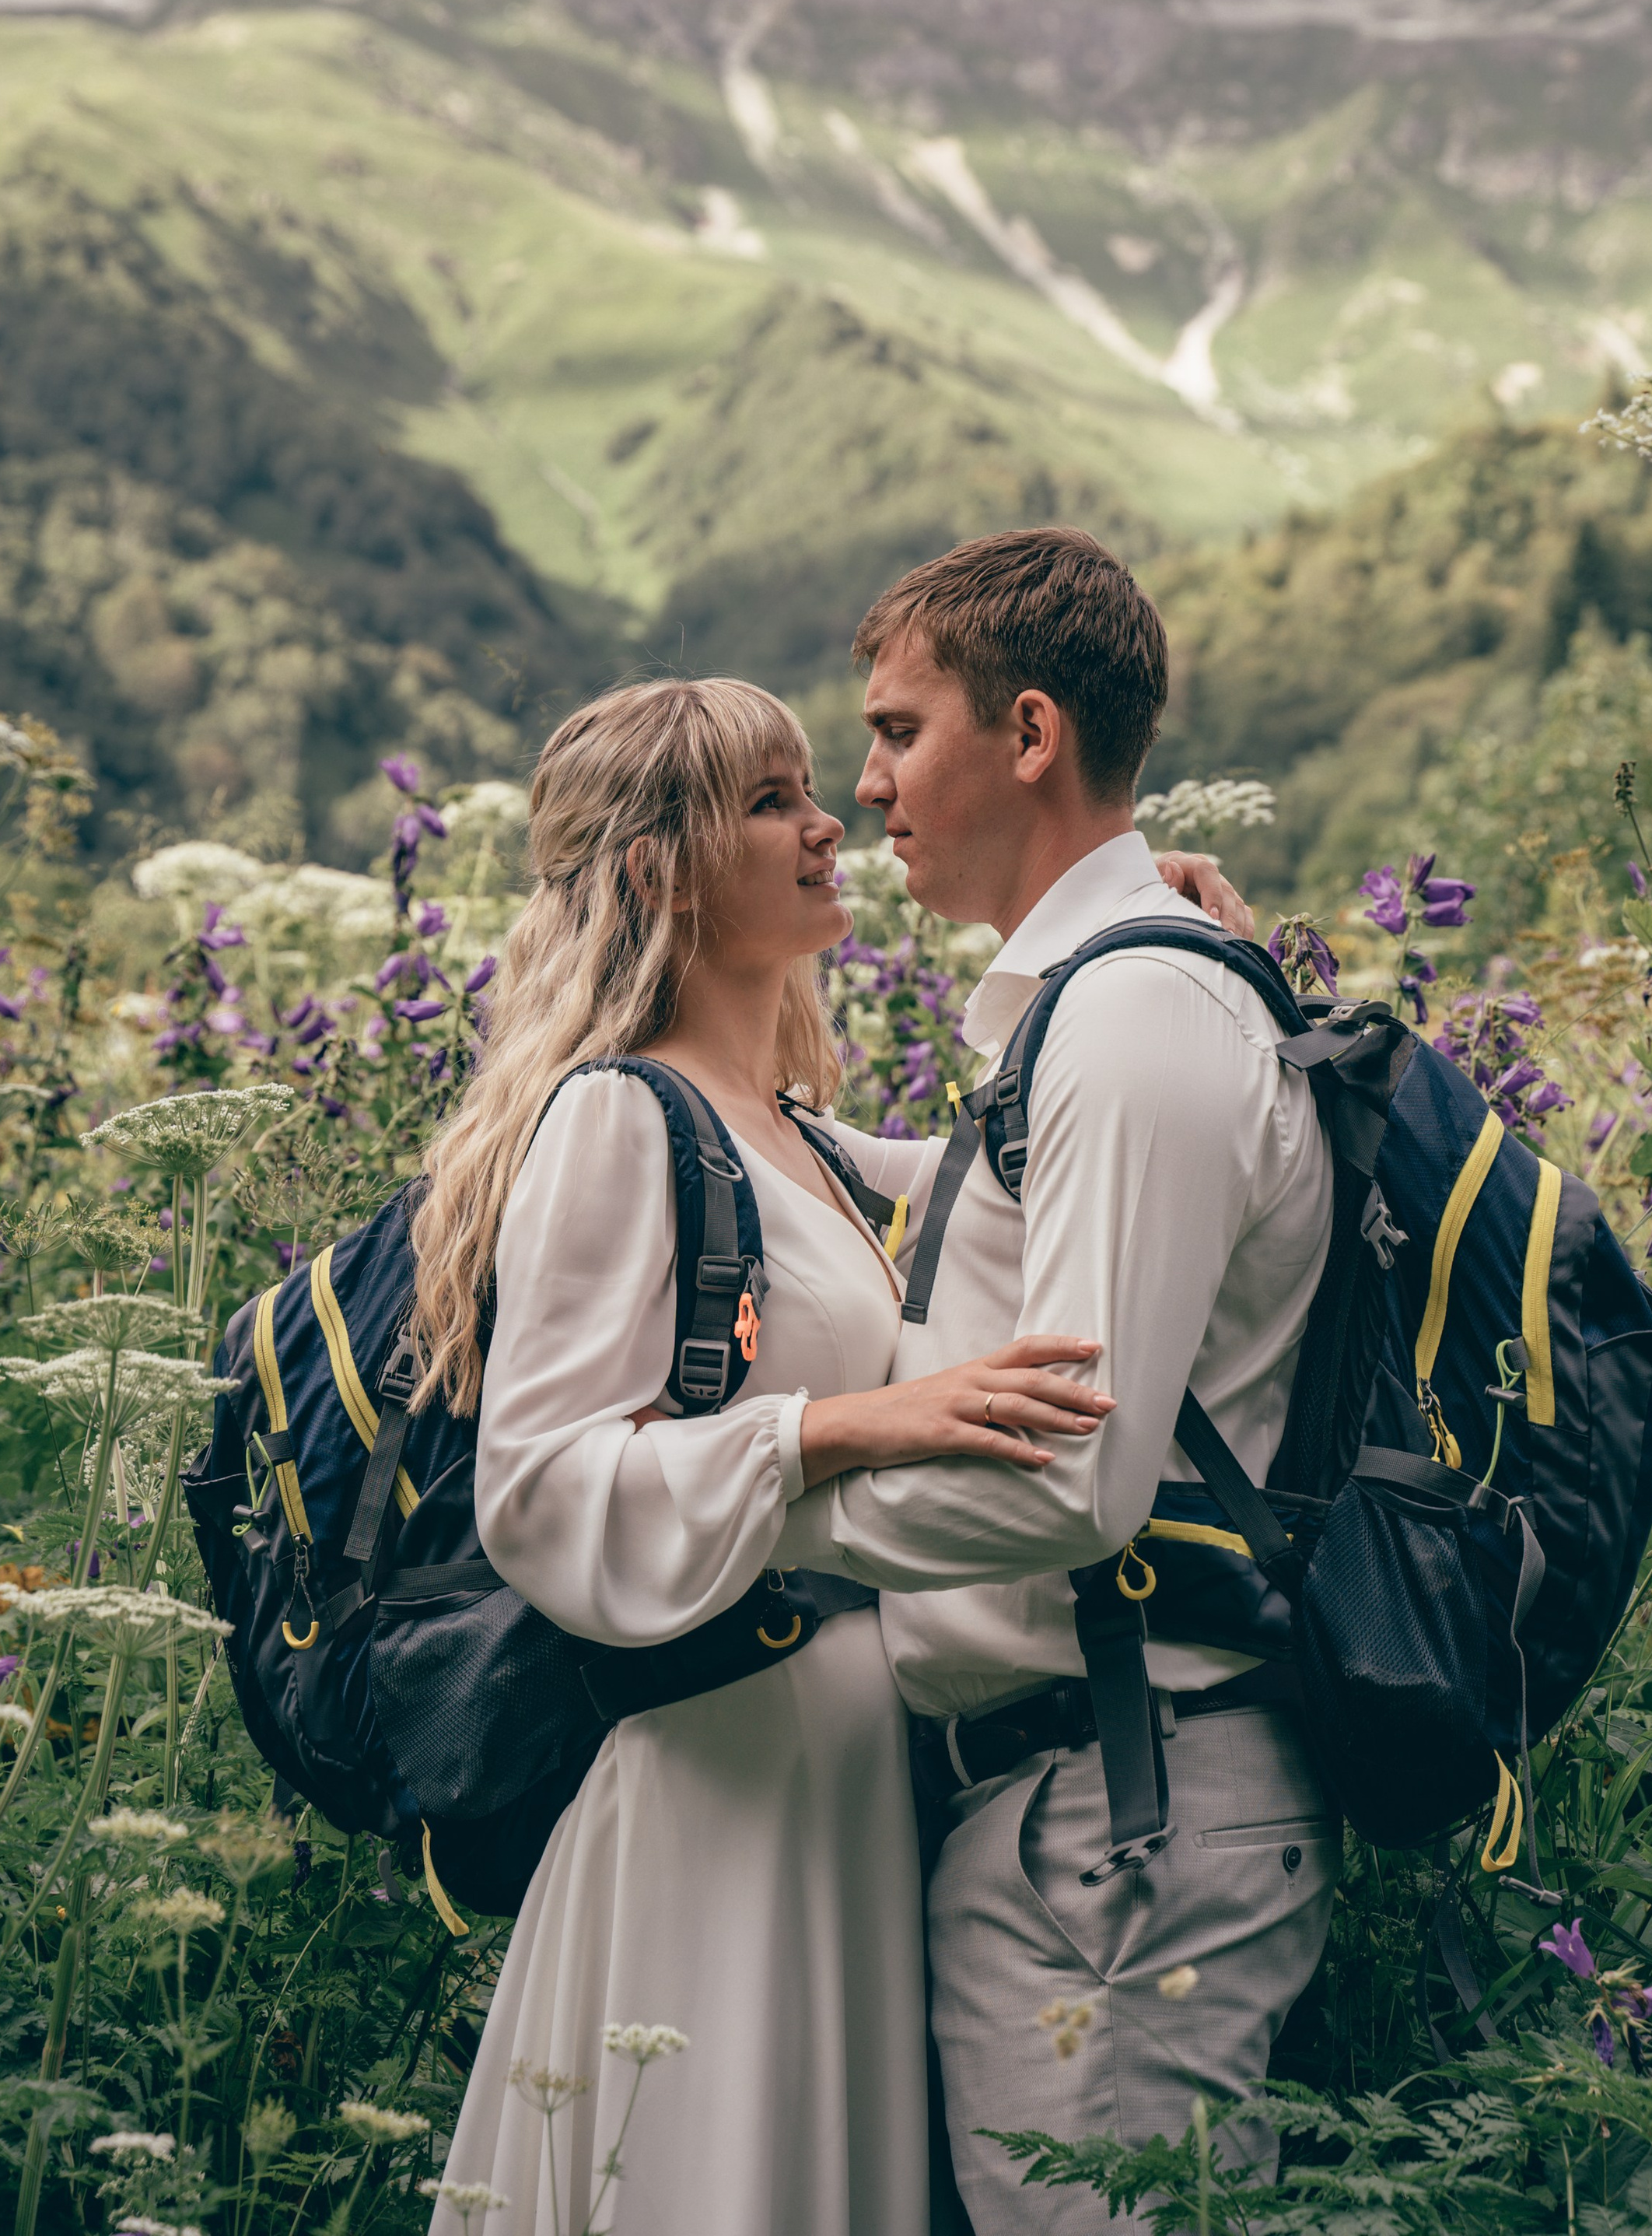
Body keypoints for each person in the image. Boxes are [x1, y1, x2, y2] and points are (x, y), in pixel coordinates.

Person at [410, 676, 1119, 2236]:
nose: (828, 827)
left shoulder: (802, 1138)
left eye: (814, 787)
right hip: (717, 1791)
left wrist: (1155, 934)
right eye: (769, 801)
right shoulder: (615, 1118)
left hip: (839, 1785)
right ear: (656, 864)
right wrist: (837, 1427)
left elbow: (1049, 1146)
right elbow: (538, 1491)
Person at [773, 527, 1339, 2234]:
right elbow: (988, 1235)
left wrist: (736, 1505)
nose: (863, 785)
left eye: (894, 731)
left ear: (1029, 734)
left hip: (1123, 1820)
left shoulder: (1129, 1024)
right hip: (1082, 1804)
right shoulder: (1085, 1011)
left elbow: (1071, 1483)